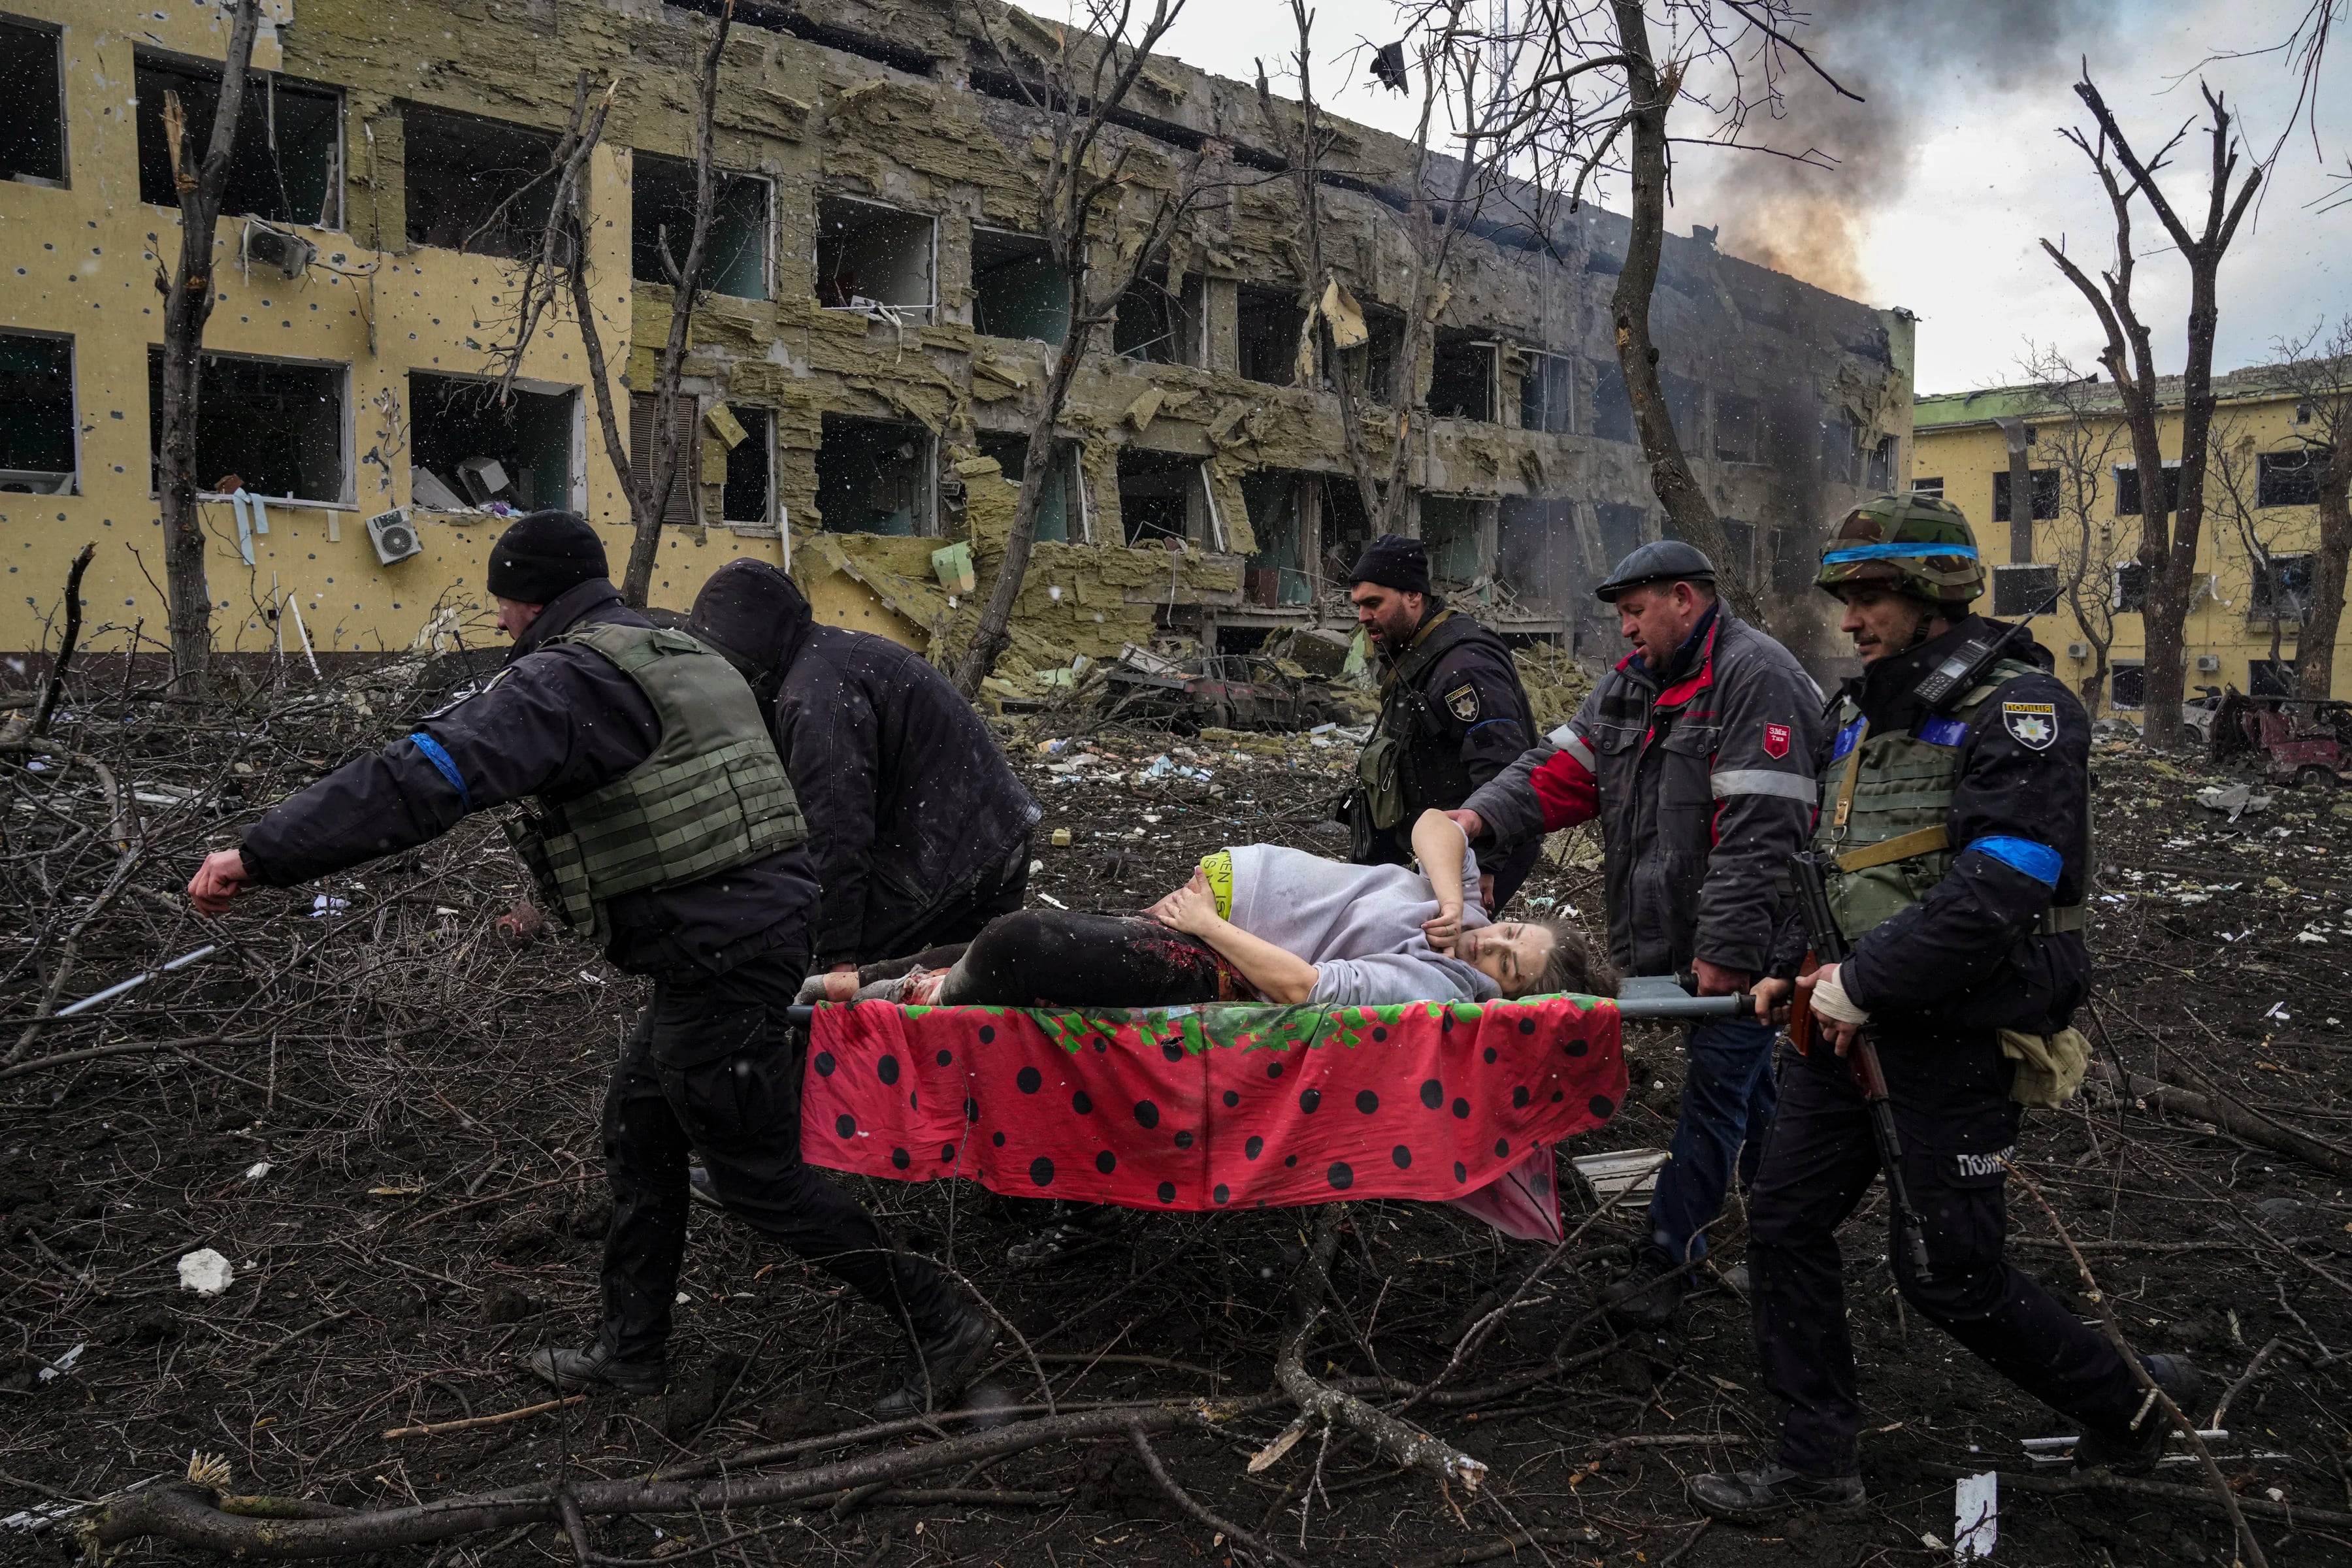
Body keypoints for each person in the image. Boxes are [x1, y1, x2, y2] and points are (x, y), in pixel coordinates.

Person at [186, 512, 994, 1418]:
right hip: (742, 932)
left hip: (723, 948)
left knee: (755, 1173)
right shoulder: (669, 646)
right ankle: (630, 1351)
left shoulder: (565, 682)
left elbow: (424, 777)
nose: (497, 623)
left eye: (501, 603)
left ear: (528, 600)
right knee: (640, 1130)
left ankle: (940, 1321)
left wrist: (262, 855)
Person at [1689, 495, 2199, 1519]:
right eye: (1849, 597)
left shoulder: (2022, 711)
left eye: (1871, 596)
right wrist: (1801, 971)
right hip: (1840, 1029)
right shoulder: (1862, 715)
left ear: (1932, 596)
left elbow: (2004, 884)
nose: (1851, 618)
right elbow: (1842, 872)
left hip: (1951, 1037)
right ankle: (1815, 1464)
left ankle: (2133, 1414)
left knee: (1948, 1274)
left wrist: (1865, 985)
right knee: (1783, 1222)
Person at [1448, 538, 1820, 1327]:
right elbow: (1555, 772)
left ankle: (1668, 1256)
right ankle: (1788, 1224)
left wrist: (1726, 952)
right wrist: (1477, 819)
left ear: (1685, 599)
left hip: (1751, 945)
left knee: (1718, 1089)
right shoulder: (1630, 688)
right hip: (1677, 939)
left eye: (1635, 612)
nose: (1624, 630)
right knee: (1747, 1087)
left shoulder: (1758, 679)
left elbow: (1763, 834)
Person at [853, 808, 1606, 1011]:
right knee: (1018, 945)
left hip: (1217, 955)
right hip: (1213, 905)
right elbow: (1437, 824)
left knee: (1022, 944)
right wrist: (1454, 899)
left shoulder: (1442, 986)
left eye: (1506, 966)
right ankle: (843, 983)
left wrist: (1211, 927)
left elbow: (1306, 989)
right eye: (1509, 933)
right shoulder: (1464, 917)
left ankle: (895, 996)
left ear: (1504, 997)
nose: (1488, 948)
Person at [686, 559, 1041, 988]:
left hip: (949, 852)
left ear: (746, 654)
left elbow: (836, 829)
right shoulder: (827, 659)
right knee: (966, 998)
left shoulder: (815, 697)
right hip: (994, 834)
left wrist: (837, 957)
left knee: (815, 989)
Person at [1340, 535, 1541, 911]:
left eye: (1373, 604)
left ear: (1414, 596)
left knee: (1446, 953)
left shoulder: (1464, 667)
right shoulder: (1415, 651)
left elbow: (1502, 769)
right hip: (1436, 841)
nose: (1363, 617)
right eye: (1359, 605)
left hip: (1476, 847)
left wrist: (1484, 862)